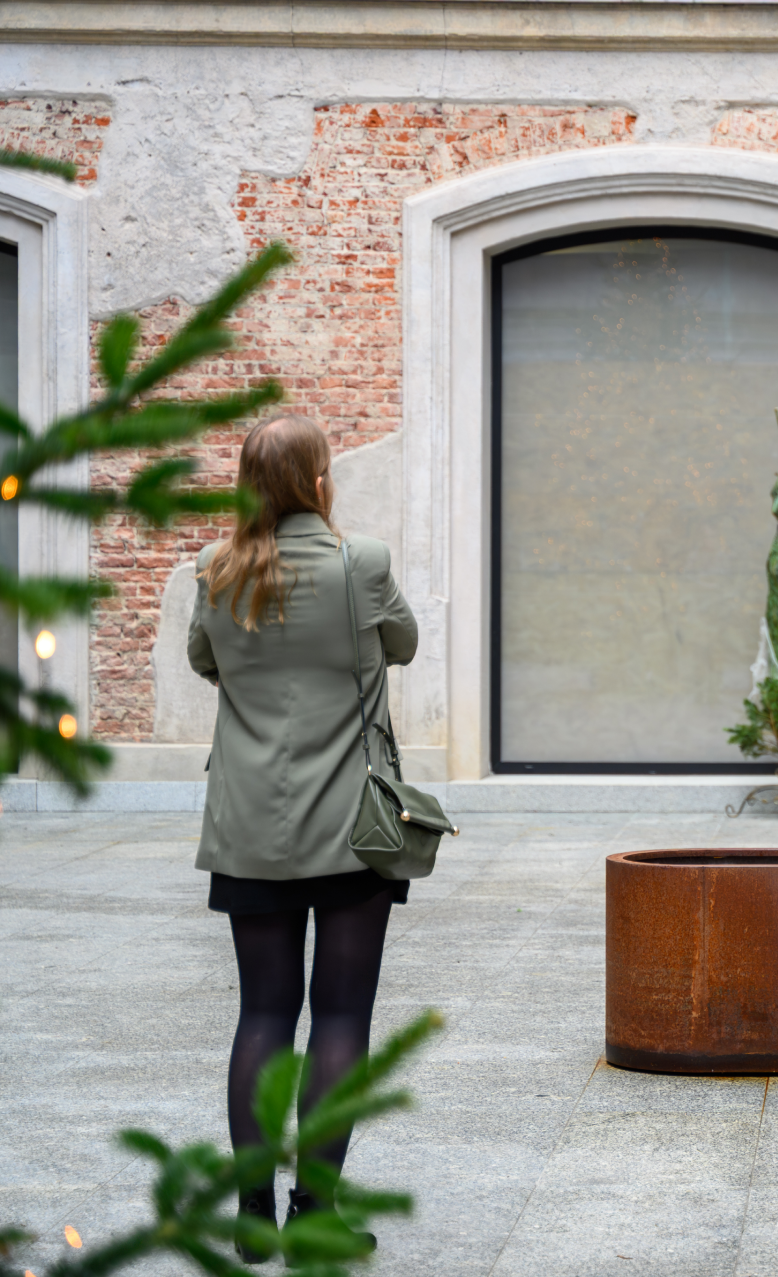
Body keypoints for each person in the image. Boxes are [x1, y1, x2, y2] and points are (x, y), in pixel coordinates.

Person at [188, 415, 418, 1262]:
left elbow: (205, 661)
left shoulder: (216, 570)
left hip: (250, 825)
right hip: (353, 829)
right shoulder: (362, 564)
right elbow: (403, 643)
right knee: (341, 1014)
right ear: (320, 481)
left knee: (263, 1010)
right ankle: (313, 1213)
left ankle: (251, 1212)